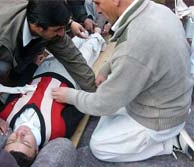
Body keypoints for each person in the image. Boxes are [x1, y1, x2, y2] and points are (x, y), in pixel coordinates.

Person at [52, 0, 194, 162]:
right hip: (173, 99)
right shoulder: (158, 10)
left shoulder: (135, 43)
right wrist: (107, 68)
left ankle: (169, 143)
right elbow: (136, 55)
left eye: (98, 3)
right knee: (108, 101)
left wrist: (70, 95)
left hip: (161, 117)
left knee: (99, 144)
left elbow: (102, 104)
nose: (97, 10)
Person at [0, 30, 105, 164]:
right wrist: (74, 93)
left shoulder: (6, 117)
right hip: (69, 76)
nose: (20, 134)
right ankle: (98, 33)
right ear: (37, 150)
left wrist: (32, 67)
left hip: (42, 70)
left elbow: (17, 89)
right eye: (25, 142)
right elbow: (79, 109)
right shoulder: (56, 130)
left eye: (12, 140)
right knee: (89, 49)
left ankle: (84, 32)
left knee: (69, 44)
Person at [0, 0, 96, 97]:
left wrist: (94, 92)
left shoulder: (45, 19)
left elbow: (72, 58)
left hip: (11, 42)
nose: (62, 34)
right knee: (0, 67)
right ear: (36, 26)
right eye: (58, 29)